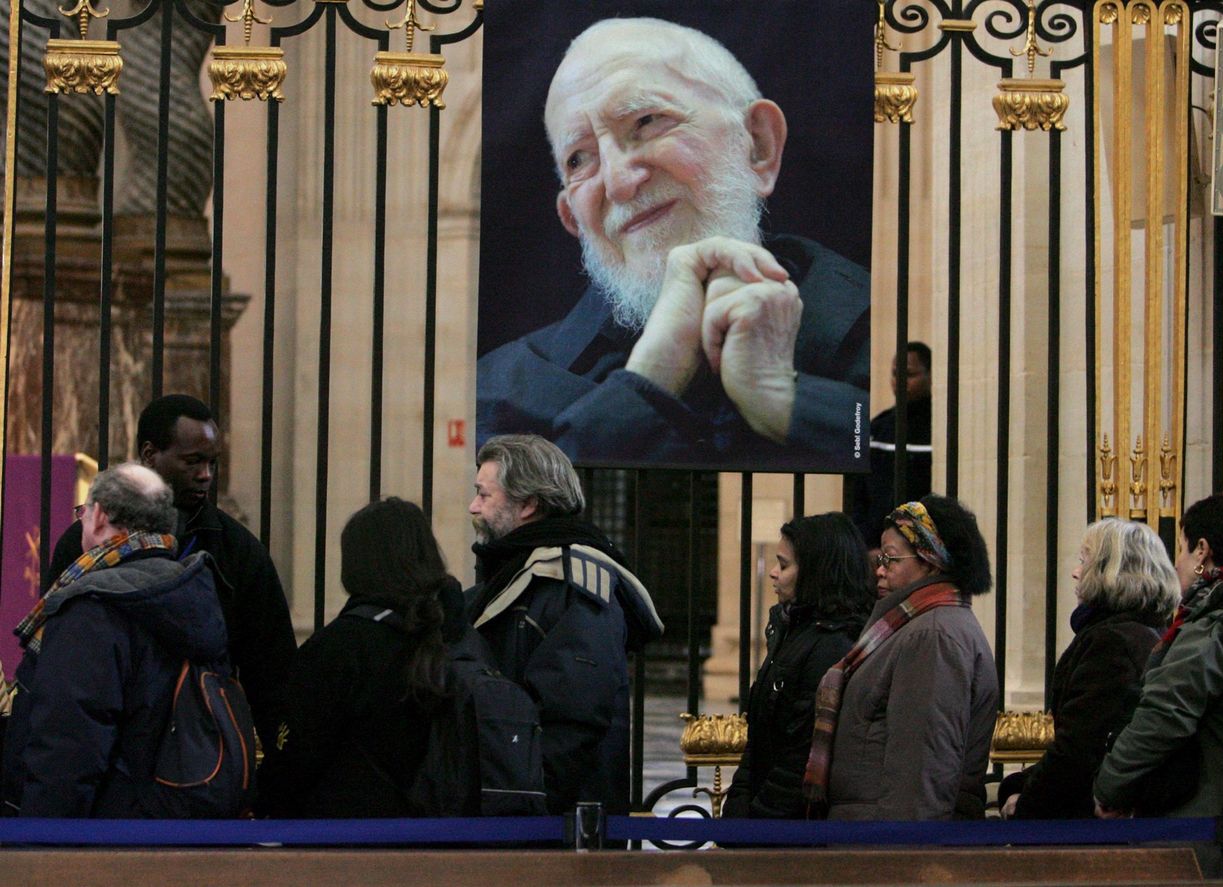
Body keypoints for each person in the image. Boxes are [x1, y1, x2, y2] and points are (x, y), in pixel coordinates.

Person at [476, 17, 870, 471]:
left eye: (646, 121)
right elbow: (530, 519)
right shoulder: (497, 393)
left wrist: (787, 402)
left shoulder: (885, 330)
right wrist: (648, 384)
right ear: (573, 219)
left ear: (758, 146)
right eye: (579, 159)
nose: (620, 183)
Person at [44, 394, 296, 763]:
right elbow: (55, 651)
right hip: (105, 747)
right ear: (150, 455)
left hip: (199, 756)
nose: (206, 474)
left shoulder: (237, 551)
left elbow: (272, 672)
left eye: (212, 462)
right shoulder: (84, 542)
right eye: (193, 461)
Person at [2, 463, 228, 816]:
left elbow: (68, 747)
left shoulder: (91, 609)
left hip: (103, 830)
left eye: (84, 511)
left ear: (100, 516)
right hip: (174, 814)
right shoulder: (191, 592)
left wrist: (41, 837)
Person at [467, 434, 663, 813]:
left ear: (528, 505)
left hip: (555, 820)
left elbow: (574, 718)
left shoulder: (571, 582)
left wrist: (530, 805)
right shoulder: (513, 573)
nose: (473, 507)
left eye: (484, 495)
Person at [1095, 494, 1223, 876]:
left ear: (1202, 551)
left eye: (1180, 547)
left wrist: (1109, 785)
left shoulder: (1217, 628)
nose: (1176, 561)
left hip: (1199, 834)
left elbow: (1163, 714)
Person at [258, 498, 466, 817]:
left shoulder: (340, 647)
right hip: (447, 830)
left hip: (345, 835)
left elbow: (294, 759)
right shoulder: (458, 634)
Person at [803, 496, 998, 821]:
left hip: (885, 842)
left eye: (891, 559)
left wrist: (900, 857)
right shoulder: (913, 625)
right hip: (867, 829)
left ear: (930, 561)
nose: (878, 570)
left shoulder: (932, 636)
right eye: (880, 558)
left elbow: (921, 768)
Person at [998, 519, 1178, 819]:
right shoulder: (1143, 633)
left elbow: (1079, 751)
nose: (1075, 572)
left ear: (1111, 572)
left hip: (1088, 821)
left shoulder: (1112, 643)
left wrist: (1025, 805)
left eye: (1084, 561)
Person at [723, 512, 876, 819]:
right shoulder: (792, 630)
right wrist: (738, 803)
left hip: (787, 823)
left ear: (816, 572)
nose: (774, 574)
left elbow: (800, 755)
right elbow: (760, 734)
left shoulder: (832, 644)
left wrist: (755, 821)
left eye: (784, 564)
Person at [848, 343, 933, 548]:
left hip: (923, 547)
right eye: (895, 374)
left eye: (909, 374)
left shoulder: (939, 429)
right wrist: (866, 545)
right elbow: (857, 495)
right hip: (875, 546)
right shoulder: (877, 428)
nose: (900, 381)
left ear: (931, 376)